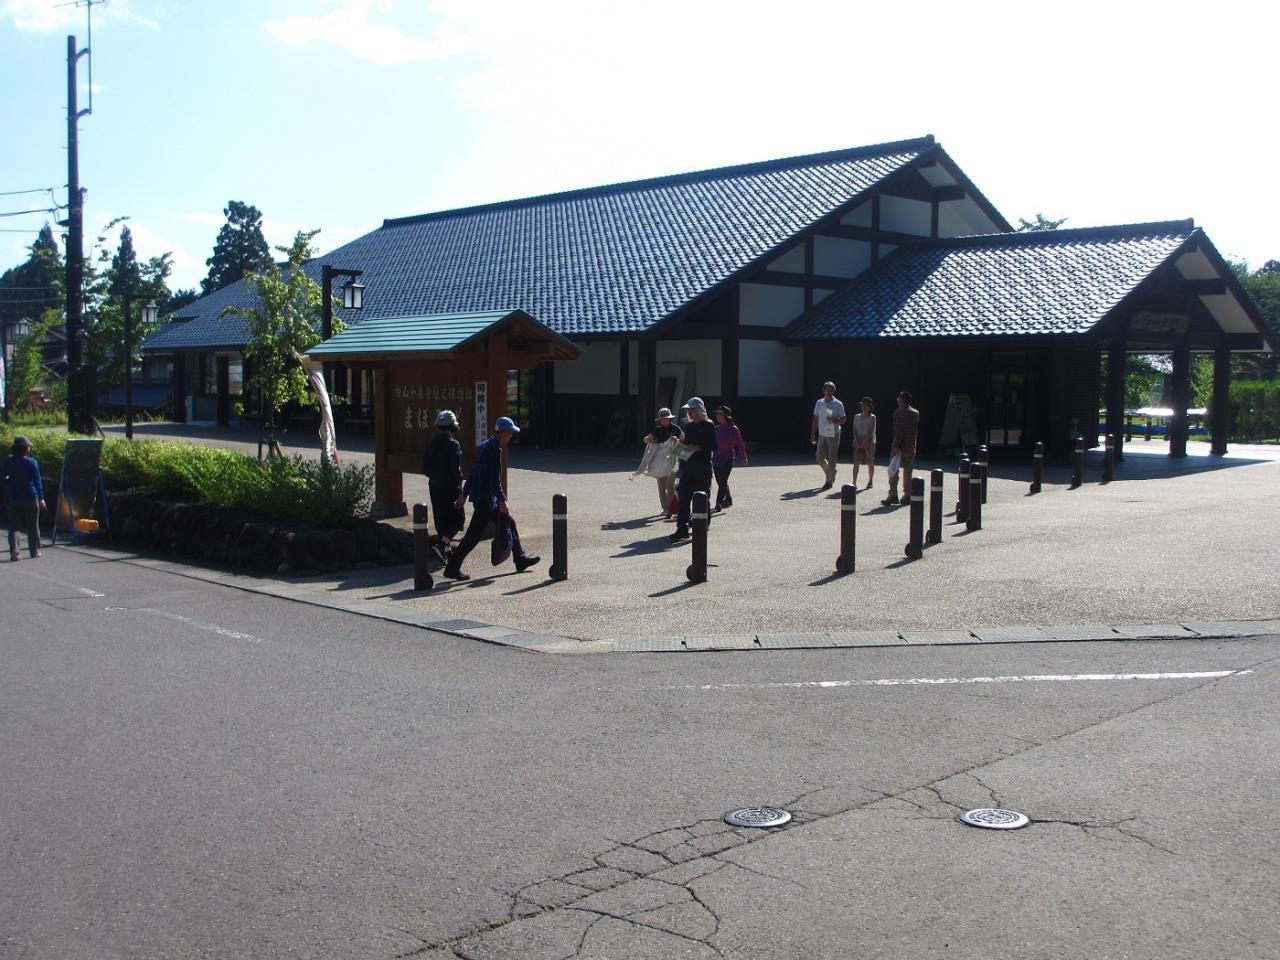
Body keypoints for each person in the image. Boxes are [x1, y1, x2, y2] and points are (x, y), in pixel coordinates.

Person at [443, 416, 539, 580]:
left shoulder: (484, 446)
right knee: (473, 536)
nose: (510, 437)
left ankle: (520, 558)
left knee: (510, 523)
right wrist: (502, 499)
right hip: (486, 500)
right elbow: (494, 479)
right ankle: (452, 567)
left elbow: (473, 473)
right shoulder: (495, 449)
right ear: (504, 432)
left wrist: (464, 495)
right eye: (510, 434)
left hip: (484, 498)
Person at [422, 409, 465, 563]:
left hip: (434, 485)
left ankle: (446, 550)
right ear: (452, 426)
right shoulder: (453, 444)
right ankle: (441, 544)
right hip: (451, 487)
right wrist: (461, 485)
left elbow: (425, 467)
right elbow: (455, 468)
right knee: (457, 519)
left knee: (441, 518)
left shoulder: (431, 443)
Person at [670, 397, 715, 541]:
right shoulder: (689, 426)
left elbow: (713, 446)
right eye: (688, 410)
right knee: (683, 498)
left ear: (699, 410)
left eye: (691, 409)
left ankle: (702, 526)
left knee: (702, 497)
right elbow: (685, 449)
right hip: (689, 468)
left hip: (703, 467)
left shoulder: (708, 425)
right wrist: (679, 464)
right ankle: (681, 528)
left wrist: (697, 447)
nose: (689, 412)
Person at [2, 435, 46, 561]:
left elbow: (3, 479)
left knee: (14, 526)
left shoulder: (8, 462)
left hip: (14, 496)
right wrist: (41, 499)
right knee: (33, 525)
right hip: (31, 496)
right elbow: (37, 482)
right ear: (25, 449)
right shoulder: (32, 462)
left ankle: (15, 553)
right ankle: (35, 551)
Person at [641, 407, 682, 517]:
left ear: (669, 419)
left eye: (666, 418)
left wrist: (677, 440)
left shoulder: (676, 429)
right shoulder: (657, 430)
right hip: (659, 462)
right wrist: (649, 439)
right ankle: (665, 508)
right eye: (662, 419)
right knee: (661, 486)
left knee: (670, 485)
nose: (664, 421)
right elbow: (645, 439)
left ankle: (669, 509)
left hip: (672, 460)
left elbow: (683, 441)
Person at [883, 390, 920, 507]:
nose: (897, 400)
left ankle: (893, 495)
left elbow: (898, 431)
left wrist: (897, 446)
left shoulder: (898, 413)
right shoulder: (916, 413)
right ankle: (907, 495)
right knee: (908, 473)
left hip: (898, 448)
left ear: (902, 400)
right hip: (911, 447)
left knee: (893, 471)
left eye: (899, 398)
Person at [809, 381, 846, 490]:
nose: (829, 392)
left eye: (831, 390)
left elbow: (844, 419)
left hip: (833, 433)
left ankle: (829, 482)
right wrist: (812, 433)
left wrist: (835, 420)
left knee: (832, 458)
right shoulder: (819, 403)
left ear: (834, 391)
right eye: (827, 389)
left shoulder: (838, 404)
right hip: (822, 433)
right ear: (824, 390)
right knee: (819, 458)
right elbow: (815, 419)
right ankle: (831, 473)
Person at [712, 405, 748, 509]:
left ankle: (719, 502)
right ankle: (729, 498)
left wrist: (744, 457)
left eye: (720, 414)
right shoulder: (716, 429)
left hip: (728, 458)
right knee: (720, 481)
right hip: (716, 458)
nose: (718, 417)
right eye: (717, 414)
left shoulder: (733, 429)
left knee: (723, 481)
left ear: (726, 416)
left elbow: (740, 443)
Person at [850, 397, 877, 489]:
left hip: (869, 442)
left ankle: (870, 481)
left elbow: (870, 431)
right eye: (863, 405)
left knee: (870, 461)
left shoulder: (872, 417)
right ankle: (854, 482)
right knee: (856, 462)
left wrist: (865, 442)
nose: (864, 407)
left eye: (866, 406)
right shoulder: (856, 416)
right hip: (858, 441)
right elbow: (854, 430)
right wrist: (857, 441)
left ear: (870, 407)